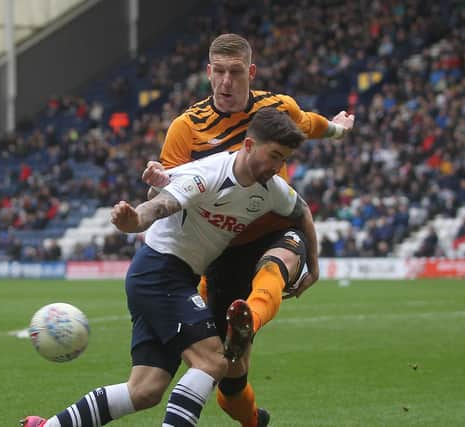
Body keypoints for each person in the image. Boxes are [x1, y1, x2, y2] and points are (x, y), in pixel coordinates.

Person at [21, 108, 311, 427]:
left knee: (144, 390)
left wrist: (314, 266)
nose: (276, 167)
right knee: (213, 360)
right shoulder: (210, 174)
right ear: (248, 145)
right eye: (273, 155)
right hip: (160, 272)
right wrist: (135, 220)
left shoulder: (272, 190)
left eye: (282, 159)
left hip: (168, 277)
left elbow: (303, 211)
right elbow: (161, 204)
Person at [142, 33, 355, 427]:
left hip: (276, 228)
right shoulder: (186, 128)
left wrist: (339, 130)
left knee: (276, 263)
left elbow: (310, 123)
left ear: (250, 72)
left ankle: (247, 322)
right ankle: (254, 420)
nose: (226, 82)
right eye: (218, 72)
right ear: (208, 72)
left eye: (235, 73)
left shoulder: (277, 109)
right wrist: (157, 184)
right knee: (230, 387)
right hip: (221, 251)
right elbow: (173, 193)